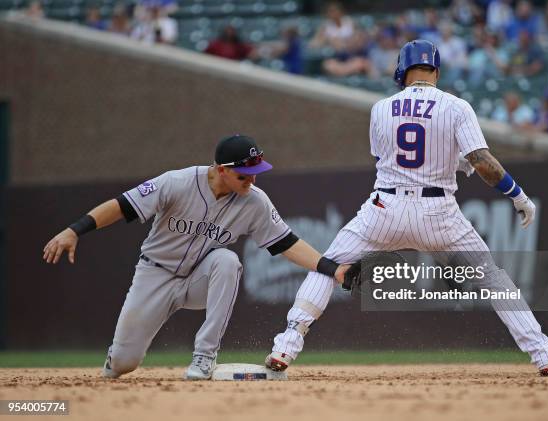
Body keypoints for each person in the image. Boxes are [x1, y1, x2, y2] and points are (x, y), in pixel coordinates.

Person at [264, 40, 548, 378]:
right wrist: (518, 196)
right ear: (436, 70)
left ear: (402, 71)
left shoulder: (380, 108)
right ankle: (544, 355)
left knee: (326, 267)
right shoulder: (456, 107)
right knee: (492, 277)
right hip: (438, 212)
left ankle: (285, 347)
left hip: (384, 207)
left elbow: (387, 160)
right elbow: (481, 162)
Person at [43, 135, 347, 380]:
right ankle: (118, 355)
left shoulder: (255, 202)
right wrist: (74, 230)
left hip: (200, 277)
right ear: (221, 169)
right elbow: (121, 206)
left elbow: (287, 243)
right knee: (124, 364)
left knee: (227, 262)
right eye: (244, 174)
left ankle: (205, 355)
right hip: (155, 274)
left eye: (256, 174)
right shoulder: (177, 182)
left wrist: (331, 269)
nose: (252, 181)